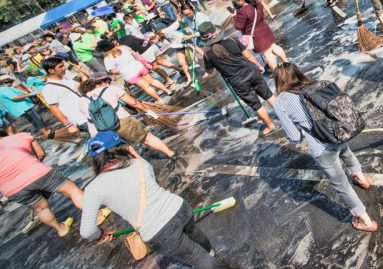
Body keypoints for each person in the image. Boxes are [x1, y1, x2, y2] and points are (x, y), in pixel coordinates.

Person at [81, 132, 233, 268]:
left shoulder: (93, 188)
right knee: (195, 234)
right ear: (120, 148)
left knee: (197, 258)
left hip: (159, 232)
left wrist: (100, 234)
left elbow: (87, 231)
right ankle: (211, 253)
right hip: (179, 208)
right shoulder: (139, 163)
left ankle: (212, 261)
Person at [272, 63, 377, 232]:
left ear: (278, 81)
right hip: (338, 133)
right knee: (347, 153)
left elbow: (295, 137)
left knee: (341, 185)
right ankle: (361, 178)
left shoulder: (280, 103)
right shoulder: (315, 85)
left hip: (321, 148)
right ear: (298, 73)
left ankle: (365, 220)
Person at [0, 128, 85, 237]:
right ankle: (95, 216)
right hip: (35, 172)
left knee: (41, 209)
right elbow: (40, 154)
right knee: (72, 191)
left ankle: (61, 229)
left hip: (12, 190)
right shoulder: (22, 136)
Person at [199, 22, 276, 135]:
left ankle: (270, 125)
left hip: (238, 82)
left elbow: (210, 72)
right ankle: (284, 116)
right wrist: (258, 66)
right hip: (251, 71)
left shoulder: (207, 54)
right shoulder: (233, 40)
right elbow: (248, 56)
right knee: (268, 95)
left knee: (256, 105)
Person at [78, 76, 177, 159]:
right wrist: (148, 111)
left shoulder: (82, 101)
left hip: (100, 131)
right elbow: (134, 103)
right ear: (96, 84)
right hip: (123, 122)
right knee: (147, 139)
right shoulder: (111, 89)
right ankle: (171, 154)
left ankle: (140, 163)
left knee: (124, 148)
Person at [97, 39, 171, 103]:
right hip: (139, 67)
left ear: (103, 50)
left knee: (146, 87)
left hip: (130, 74)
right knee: (152, 81)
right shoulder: (122, 48)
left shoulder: (107, 59)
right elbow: (133, 53)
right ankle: (168, 91)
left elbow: (114, 71)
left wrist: (112, 71)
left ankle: (159, 99)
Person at [232, 0, 288, 71]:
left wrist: (235, 17)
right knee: (274, 47)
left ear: (240, 0)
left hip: (257, 36)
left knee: (268, 54)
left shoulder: (243, 11)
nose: (236, 3)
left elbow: (238, 26)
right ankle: (287, 64)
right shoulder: (257, 3)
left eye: (236, 1)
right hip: (265, 29)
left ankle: (277, 74)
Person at [40, 57, 89, 135]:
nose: (64, 68)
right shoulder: (49, 88)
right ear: (51, 70)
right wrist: (68, 125)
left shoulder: (65, 79)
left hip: (90, 112)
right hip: (81, 119)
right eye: (60, 67)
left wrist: (82, 74)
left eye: (63, 65)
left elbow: (84, 88)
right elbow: (54, 109)